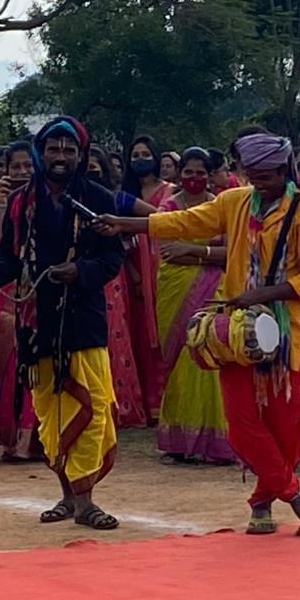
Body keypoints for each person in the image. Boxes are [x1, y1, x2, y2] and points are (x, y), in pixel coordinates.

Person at [98, 132, 300, 535]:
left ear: (285, 170)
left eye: (265, 175)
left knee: (283, 423)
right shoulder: (234, 201)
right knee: (242, 421)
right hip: (238, 333)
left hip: (285, 333)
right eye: (251, 174)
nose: (257, 182)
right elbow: (185, 221)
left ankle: (262, 502)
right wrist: (127, 224)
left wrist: (263, 294)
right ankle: (296, 496)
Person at [0, 116, 125, 530]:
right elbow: (9, 257)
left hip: (83, 319)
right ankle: (68, 497)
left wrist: (81, 271)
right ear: (41, 153)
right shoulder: (21, 202)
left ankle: (86, 501)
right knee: (51, 413)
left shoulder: (98, 198)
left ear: (80, 155)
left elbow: (113, 257)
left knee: (92, 408)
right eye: (53, 148)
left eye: (69, 149)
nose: (61, 156)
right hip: (36, 322)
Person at [154, 147, 233, 464]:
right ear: (179, 173)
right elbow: (168, 253)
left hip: (214, 291)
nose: (194, 178)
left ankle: (214, 441)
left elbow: (232, 253)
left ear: (210, 175)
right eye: (188, 172)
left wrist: (192, 250)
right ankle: (179, 440)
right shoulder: (169, 207)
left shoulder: (220, 207)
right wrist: (208, 255)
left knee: (208, 356)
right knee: (179, 360)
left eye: (201, 172)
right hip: (174, 289)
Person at [0, 141, 43, 460]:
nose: (22, 172)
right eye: (16, 166)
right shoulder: (1, 198)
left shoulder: (48, 195)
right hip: (9, 289)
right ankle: (12, 439)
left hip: (43, 286)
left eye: (28, 166)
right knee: (8, 361)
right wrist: (1, 205)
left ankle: (38, 440)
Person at [89, 144, 145, 428]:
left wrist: (125, 231)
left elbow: (155, 217)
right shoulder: (72, 198)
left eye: (95, 167)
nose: (91, 172)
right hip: (82, 274)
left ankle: (123, 405)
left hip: (112, 275)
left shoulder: (117, 199)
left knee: (115, 334)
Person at [121, 135, 172, 422]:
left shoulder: (169, 192)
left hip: (162, 269)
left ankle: (164, 402)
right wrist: (136, 275)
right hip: (132, 273)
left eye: (145, 154)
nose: (140, 159)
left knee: (162, 332)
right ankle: (142, 401)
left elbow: (171, 228)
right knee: (139, 334)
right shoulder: (126, 194)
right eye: (135, 155)